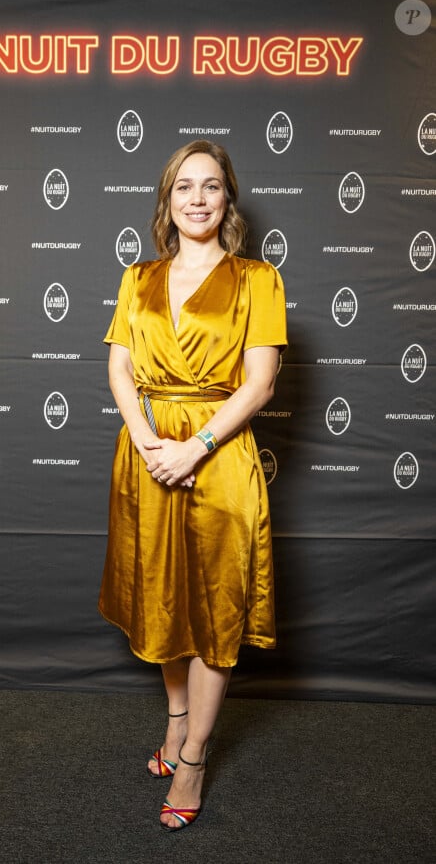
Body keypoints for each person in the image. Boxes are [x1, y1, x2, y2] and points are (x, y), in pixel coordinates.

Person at [99, 140, 287, 831]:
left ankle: (197, 756)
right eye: (185, 187)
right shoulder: (137, 276)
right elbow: (120, 368)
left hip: (219, 457)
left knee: (214, 609)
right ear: (168, 201)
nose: (198, 198)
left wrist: (197, 447)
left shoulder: (257, 279)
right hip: (147, 454)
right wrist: (147, 440)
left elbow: (260, 384)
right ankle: (177, 721)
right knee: (162, 597)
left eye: (211, 186)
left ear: (227, 199)